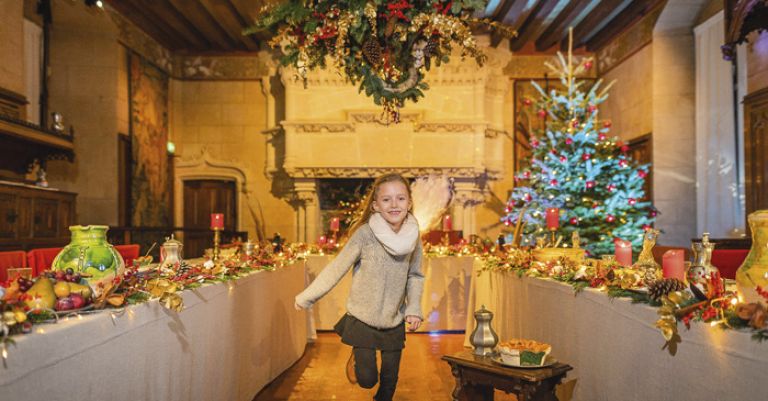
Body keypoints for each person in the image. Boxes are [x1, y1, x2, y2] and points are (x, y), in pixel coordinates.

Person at [295, 173, 425, 401]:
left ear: (410, 203)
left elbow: (415, 275)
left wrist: (413, 307)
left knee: (389, 382)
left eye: (400, 198)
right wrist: (308, 297)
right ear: (375, 205)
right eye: (386, 200)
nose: (394, 205)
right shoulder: (365, 235)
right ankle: (358, 355)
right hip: (363, 318)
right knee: (367, 380)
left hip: (394, 318)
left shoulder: (414, 237)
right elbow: (337, 268)